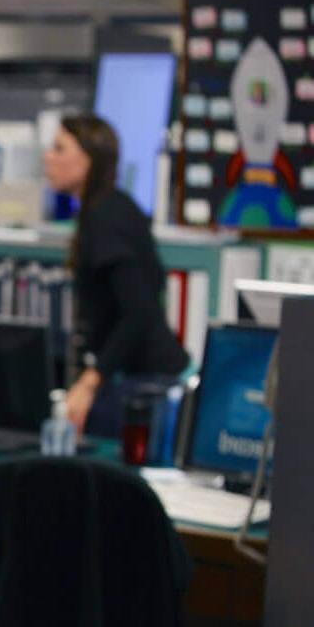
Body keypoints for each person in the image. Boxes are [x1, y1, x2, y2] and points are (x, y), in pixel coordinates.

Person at [43, 114, 189, 437]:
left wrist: (89, 381)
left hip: (146, 385)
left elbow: (138, 311)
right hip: (138, 378)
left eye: (59, 148)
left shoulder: (107, 218)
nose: (47, 157)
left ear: (88, 158)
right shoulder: (106, 208)